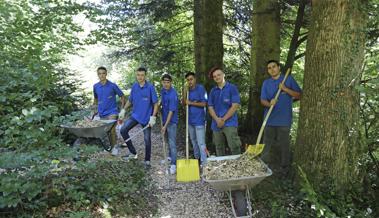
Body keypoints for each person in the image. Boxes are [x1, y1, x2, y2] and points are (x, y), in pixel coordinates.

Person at [260, 60, 301, 175]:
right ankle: (263, 166)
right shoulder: (266, 83)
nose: (272, 69)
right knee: (266, 143)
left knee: (284, 144)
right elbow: (262, 100)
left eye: (274, 67)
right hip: (269, 119)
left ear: (278, 67)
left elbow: (299, 95)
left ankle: (284, 168)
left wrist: (285, 89)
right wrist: (269, 104)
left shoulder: (288, 79)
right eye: (269, 68)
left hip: (284, 119)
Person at [119, 67, 158, 168]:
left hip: (146, 119)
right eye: (138, 75)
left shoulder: (150, 87)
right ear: (136, 75)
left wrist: (153, 117)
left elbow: (156, 104)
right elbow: (130, 100)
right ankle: (133, 153)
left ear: (145, 76)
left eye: (142, 75)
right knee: (123, 130)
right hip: (135, 116)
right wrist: (124, 109)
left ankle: (147, 160)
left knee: (147, 140)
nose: (140, 77)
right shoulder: (135, 86)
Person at [208, 67, 242, 156]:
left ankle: (237, 166)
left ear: (223, 75)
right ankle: (222, 167)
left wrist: (223, 120)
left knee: (234, 146)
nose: (217, 77)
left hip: (230, 123)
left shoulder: (232, 88)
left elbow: (235, 106)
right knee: (219, 147)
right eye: (214, 76)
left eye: (218, 75)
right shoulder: (213, 91)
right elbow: (210, 107)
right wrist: (217, 119)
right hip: (216, 124)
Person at [93, 66, 125, 147]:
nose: (101, 75)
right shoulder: (95, 86)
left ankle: (114, 148)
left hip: (112, 112)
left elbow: (122, 96)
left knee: (111, 130)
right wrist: (95, 108)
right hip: (102, 113)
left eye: (103, 73)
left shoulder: (112, 85)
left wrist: (122, 109)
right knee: (105, 131)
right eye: (99, 74)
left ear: (106, 74)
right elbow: (96, 98)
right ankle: (114, 142)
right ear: (97, 75)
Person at [182, 72, 208, 166]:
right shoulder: (187, 90)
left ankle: (204, 162)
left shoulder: (200, 88)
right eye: (188, 80)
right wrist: (184, 93)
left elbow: (204, 104)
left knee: (201, 142)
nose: (190, 81)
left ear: (195, 79)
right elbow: (184, 103)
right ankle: (197, 159)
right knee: (193, 141)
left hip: (199, 120)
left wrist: (192, 103)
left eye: (191, 79)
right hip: (190, 121)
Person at [160, 74, 179, 174]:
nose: (166, 84)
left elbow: (171, 112)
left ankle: (174, 165)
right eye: (164, 82)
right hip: (164, 120)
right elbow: (162, 103)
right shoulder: (163, 91)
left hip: (171, 122)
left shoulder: (173, 94)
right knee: (167, 141)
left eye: (168, 82)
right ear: (162, 82)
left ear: (171, 82)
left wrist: (165, 126)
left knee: (172, 143)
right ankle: (170, 157)